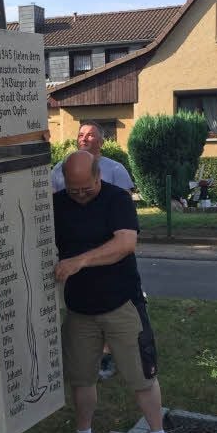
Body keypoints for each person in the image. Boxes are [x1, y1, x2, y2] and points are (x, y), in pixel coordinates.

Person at [53, 151, 164, 433]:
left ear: (98, 176)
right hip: (79, 308)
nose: (80, 195)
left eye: (86, 188)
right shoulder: (57, 204)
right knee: (81, 378)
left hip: (121, 302)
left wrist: (80, 261)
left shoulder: (117, 200)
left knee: (141, 375)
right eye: (73, 190)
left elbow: (125, 244)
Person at [52, 121, 135, 380]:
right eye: (81, 135)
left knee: (111, 308)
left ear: (101, 141)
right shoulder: (60, 169)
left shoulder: (115, 170)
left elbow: (125, 220)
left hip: (111, 265)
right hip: (75, 268)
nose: (85, 139)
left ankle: (108, 352)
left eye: (90, 135)